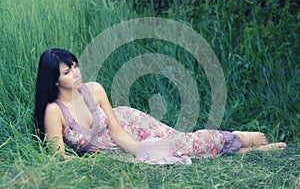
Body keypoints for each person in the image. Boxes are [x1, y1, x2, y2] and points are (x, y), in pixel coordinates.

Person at [34, 48, 286, 164]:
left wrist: (140, 149)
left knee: (181, 143)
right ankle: (248, 151)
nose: (76, 73)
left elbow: (118, 130)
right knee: (175, 153)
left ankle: (234, 137)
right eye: (68, 72)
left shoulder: (94, 89)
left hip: (130, 125)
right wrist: (99, 162)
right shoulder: (54, 111)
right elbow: (59, 155)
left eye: (75, 66)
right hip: (112, 151)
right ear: (54, 79)